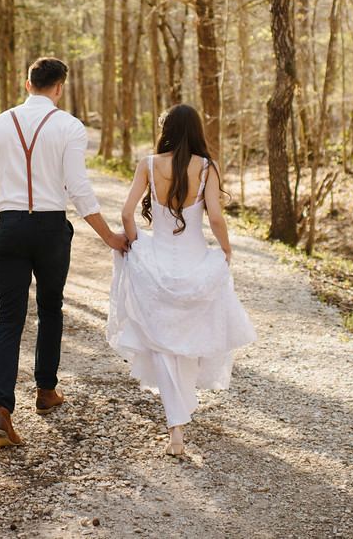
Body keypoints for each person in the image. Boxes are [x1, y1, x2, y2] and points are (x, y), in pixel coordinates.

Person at [0, 57, 129, 447]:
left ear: (28, 85)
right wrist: (109, 236)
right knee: (49, 309)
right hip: (50, 229)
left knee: (9, 320)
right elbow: (79, 189)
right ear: (59, 87)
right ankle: (45, 392)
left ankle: (0, 410)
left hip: (9, 227)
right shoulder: (69, 127)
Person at [107, 104, 256, 456]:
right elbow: (216, 218)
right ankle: (179, 422)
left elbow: (127, 213)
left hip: (155, 260)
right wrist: (226, 251)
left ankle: (176, 427)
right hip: (194, 262)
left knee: (162, 341)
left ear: (167, 129)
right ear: (196, 130)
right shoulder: (206, 167)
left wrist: (134, 245)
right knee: (185, 339)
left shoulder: (148, 164)